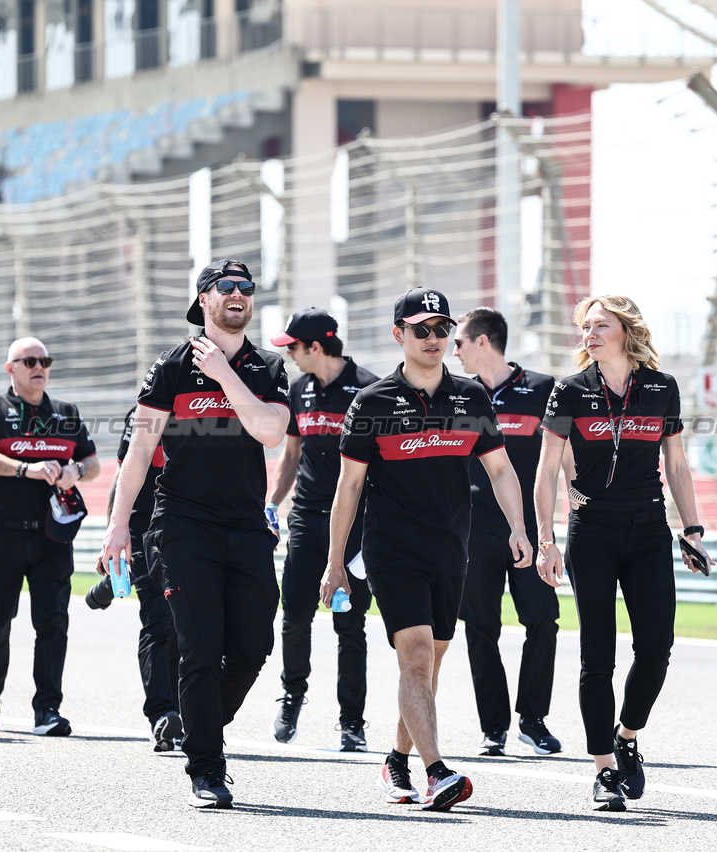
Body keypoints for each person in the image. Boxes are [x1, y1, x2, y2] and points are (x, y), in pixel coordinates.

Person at [321, 287, 533, 813]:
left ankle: (396, 759)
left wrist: (520, 528)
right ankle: (437, 772)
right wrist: (334, 565)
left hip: (450, 551)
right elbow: (347, 488)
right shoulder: (371, 403)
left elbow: (501, 469)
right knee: (414, 655)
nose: (434, 338)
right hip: (392, 551)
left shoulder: (472, 397)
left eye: (442, 329)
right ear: (400, 335)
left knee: (427, 669)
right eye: (421, 329)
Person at [100, 259, 290, 810]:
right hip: (183, 526)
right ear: (203, 298)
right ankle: (207, 768)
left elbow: (271, 431)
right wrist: (117, 528)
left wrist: (226, 375)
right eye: (226, 287)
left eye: (246, 288)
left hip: (247, 526)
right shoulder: (171, 367)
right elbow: (137, 455)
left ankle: (196, 719)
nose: (238, 294)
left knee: (253, 646)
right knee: (199, 648)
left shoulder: (266, 367)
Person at [533, 295, 711, 812]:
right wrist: (547, 541)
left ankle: (627, 736)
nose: (588, 334)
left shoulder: (661, 388)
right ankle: (604, 771)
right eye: (584, 326)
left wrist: (692, 529)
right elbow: (546, 470)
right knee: (597, 657)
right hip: (591, 534)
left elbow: (676, 465)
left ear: (625, 332)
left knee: (656, 648)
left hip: (650, 530)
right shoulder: (570, 391)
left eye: (599, 326)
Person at [0, 337, 101, 736]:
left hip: (51, 538)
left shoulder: (66, 413)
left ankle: (48, 710)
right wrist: (26, 469)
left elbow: (91, 462)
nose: (39, 367)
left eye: (45, 360)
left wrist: (76, 472)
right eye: (29, 361)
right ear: (11, 368)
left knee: (53, 622)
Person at [451, 307, 563, 758]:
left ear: (483, 342)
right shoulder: (455, 394)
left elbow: (562, 462)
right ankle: (493, 727)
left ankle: (533, 720)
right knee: (480, 627)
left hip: (530, 527)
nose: (451, 350)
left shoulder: (543, 390)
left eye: (458, 342)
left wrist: (560, 522)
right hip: (473, 529)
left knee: (542, 619)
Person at [266, 308, 378, 752]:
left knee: (350, 624)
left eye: (292, 347)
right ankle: (293, 696)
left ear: (315, 346)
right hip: (307, 519)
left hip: (354, 525)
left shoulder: (368, 389)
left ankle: (352, 722)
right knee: (294, 616)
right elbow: (290, 456)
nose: (289, 355)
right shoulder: (297, 390)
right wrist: (272, 504)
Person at [88, 404, 183, 753]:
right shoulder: (145, 411)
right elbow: (123, 473)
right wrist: (114, 533)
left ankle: (187, 711)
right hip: (145, 530)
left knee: (190, 625)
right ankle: (163, 714)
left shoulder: (222, 405)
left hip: (195, 529)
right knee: (160, 621)